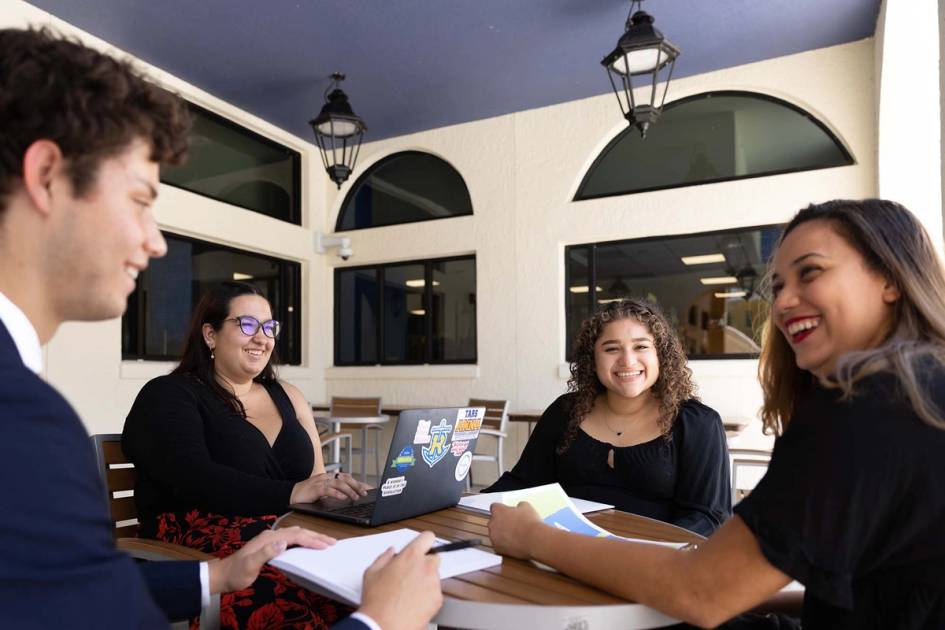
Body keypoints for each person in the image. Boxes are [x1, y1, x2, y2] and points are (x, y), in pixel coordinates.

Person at [0, 26, 442, 630]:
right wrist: (379, 624)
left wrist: (216, 574)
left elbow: (58, 591)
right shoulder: (24, 417)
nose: (155, 243)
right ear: (47, 174)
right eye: (138, 199)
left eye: (270, 326)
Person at [488, 199, 945, 628]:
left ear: (890, 279)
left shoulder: (867, 410)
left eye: (811, 273)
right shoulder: (919, 388)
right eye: (779, 285)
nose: (783, 302)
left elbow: (699, 590)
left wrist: (533, 538)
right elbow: (883, 585)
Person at [122, 281, 373, 628]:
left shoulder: (289, 395)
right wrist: (293, 492)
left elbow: (316, 479)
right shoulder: (170, 395)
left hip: (283, 535)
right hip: (202, 549)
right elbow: (193, 476)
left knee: (370, 577)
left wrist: (338, 493)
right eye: (247, 324)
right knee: (301, 598)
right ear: (210, 334)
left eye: (269, 327)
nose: (262, 337)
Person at [483, 298, 731, 536]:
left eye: (641, 346)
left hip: (653, 565)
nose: (627, 360)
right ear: (592, 359)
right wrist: (460, 502)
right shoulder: (566, 411)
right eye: (611, 348)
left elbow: (707, 518)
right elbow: (522, 483)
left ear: (661, 355)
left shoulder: (697, 423)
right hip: (563, 553)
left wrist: (639, 554)